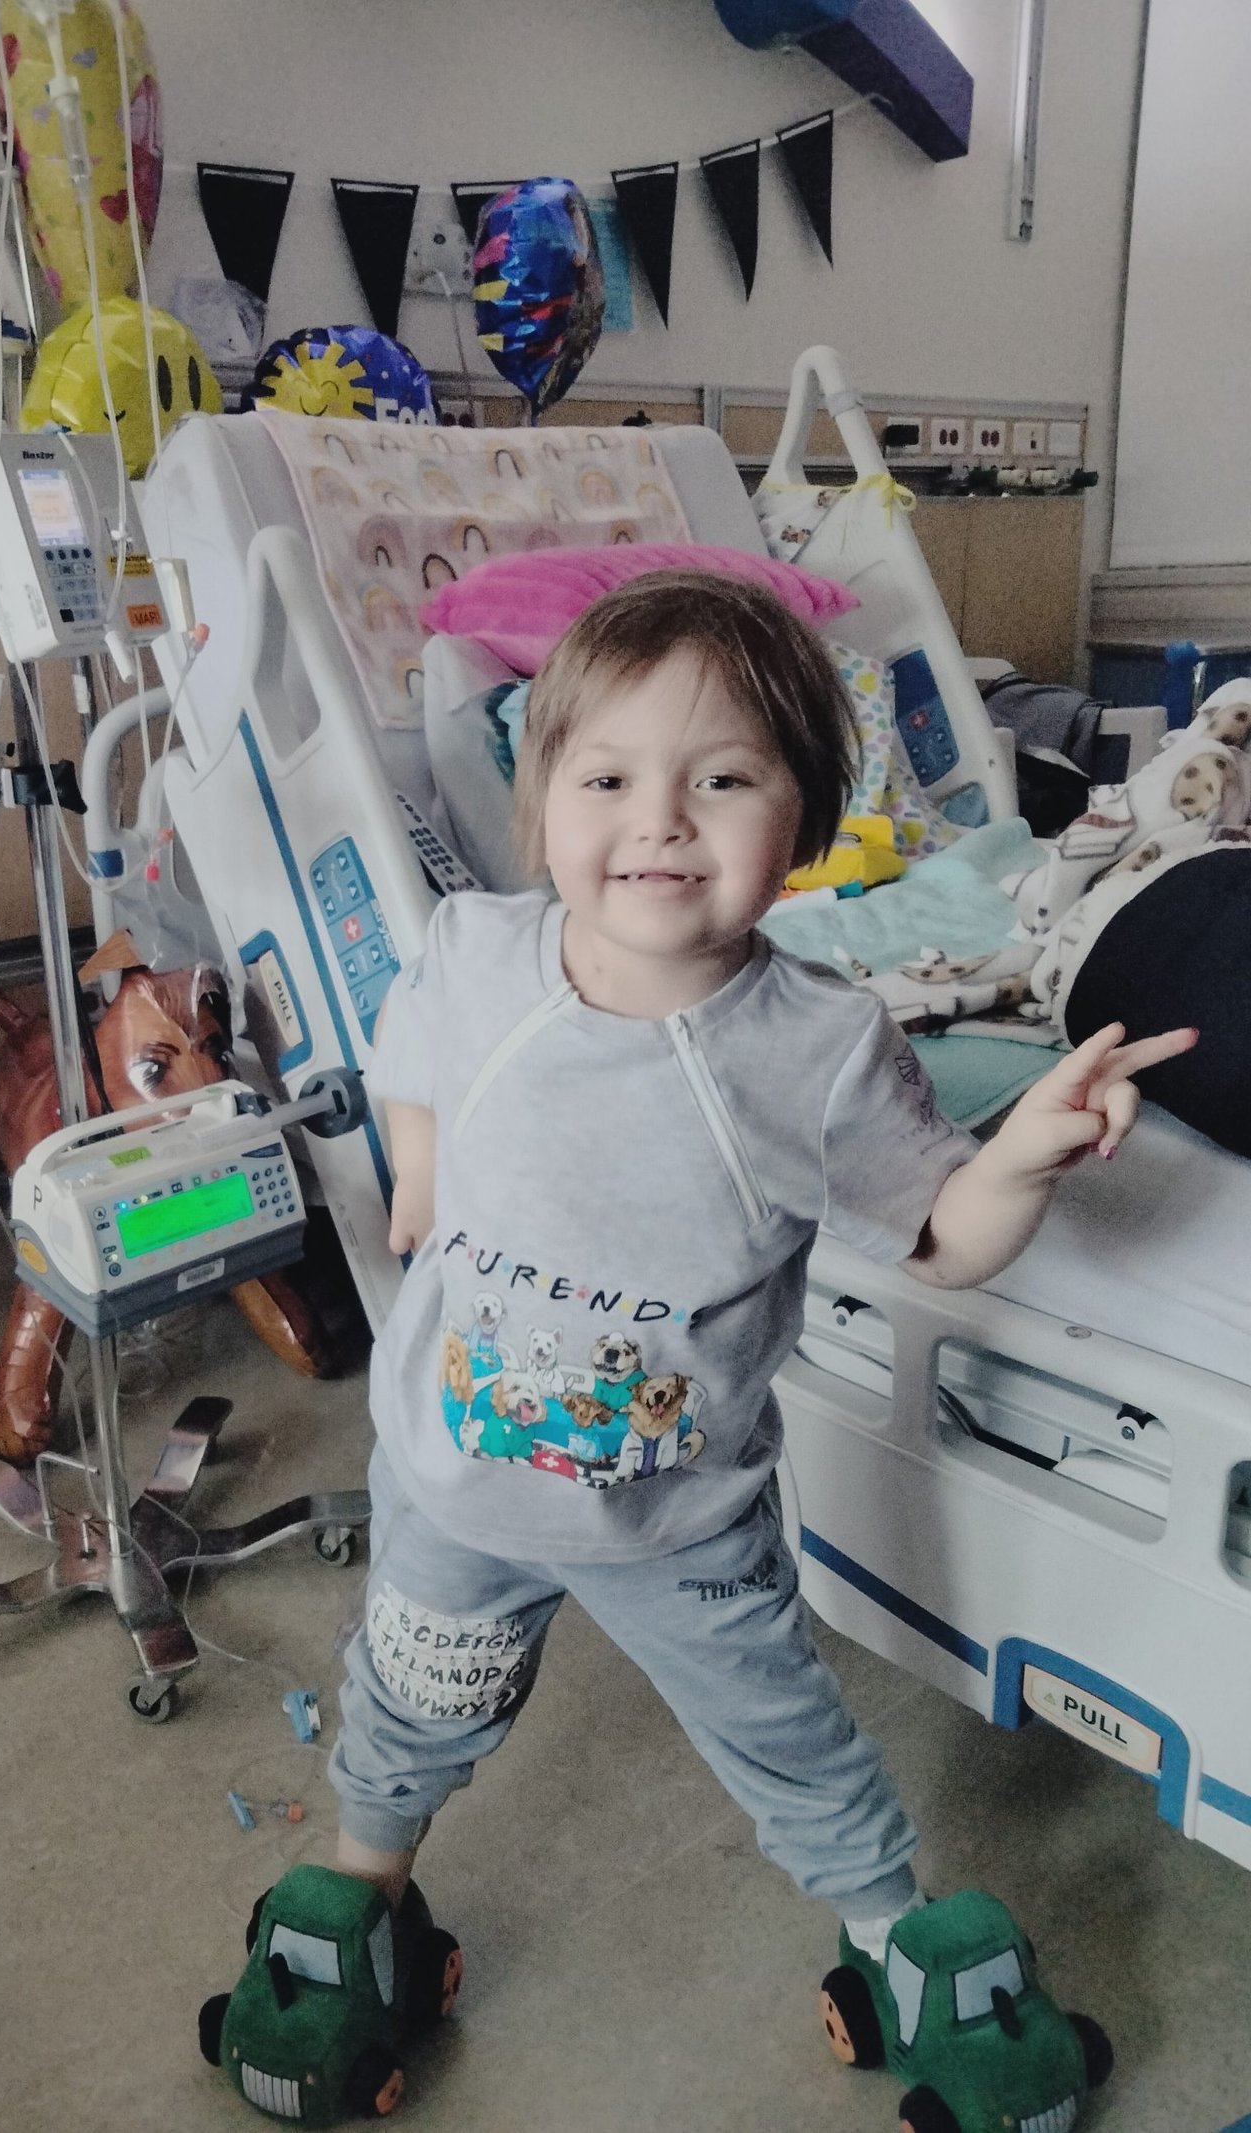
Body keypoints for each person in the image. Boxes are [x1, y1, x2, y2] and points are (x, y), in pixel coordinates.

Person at [326, 570, 1195, 2015]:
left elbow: (940, 1237)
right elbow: (407, 1042)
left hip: (678, 1519)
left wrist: (1019, 1159)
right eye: (608, 778)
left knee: (783, 1729)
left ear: (802, 824)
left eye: (722, 779)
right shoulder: (472, 951)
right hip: (448, 1476)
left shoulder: (820, 1049)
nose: (661, 819)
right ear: (542, 804)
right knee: (412, 1697)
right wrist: (418, 1165)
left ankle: (886, 1925)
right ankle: (362, 1880)